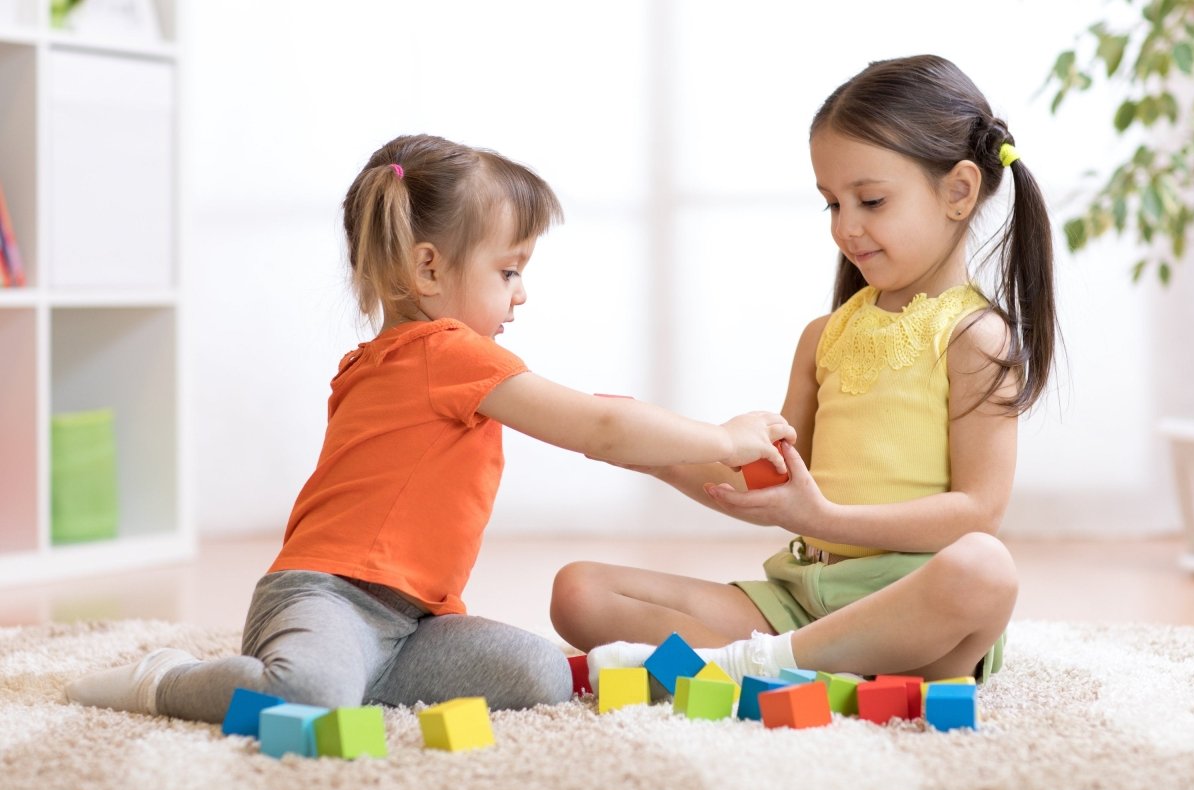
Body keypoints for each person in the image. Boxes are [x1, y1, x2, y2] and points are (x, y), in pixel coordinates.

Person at [65, 134, 796, 720]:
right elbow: (598, 428)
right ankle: (167, 681)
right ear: (427, 268)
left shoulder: (415, 359)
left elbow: (609, 424)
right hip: (324, 596)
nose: (523, 293)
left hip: (413, 623)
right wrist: (722, 439)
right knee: (310, 699)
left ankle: (357, 684)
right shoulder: (441, 353)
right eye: (509, 272)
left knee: (539, 674)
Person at [551, 54, 1057, 689]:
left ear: (958, 191)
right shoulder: (824, 336)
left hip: (911, 608)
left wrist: (823, 521)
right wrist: (650, 451)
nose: (846, 227)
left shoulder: (974, 337)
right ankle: (800, 665)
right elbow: (775, 485)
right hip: (798, 600)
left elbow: (978, 513)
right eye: (831, 205)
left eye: (870, 200)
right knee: (579, 591)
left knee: (985, 569)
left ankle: (766, 665)